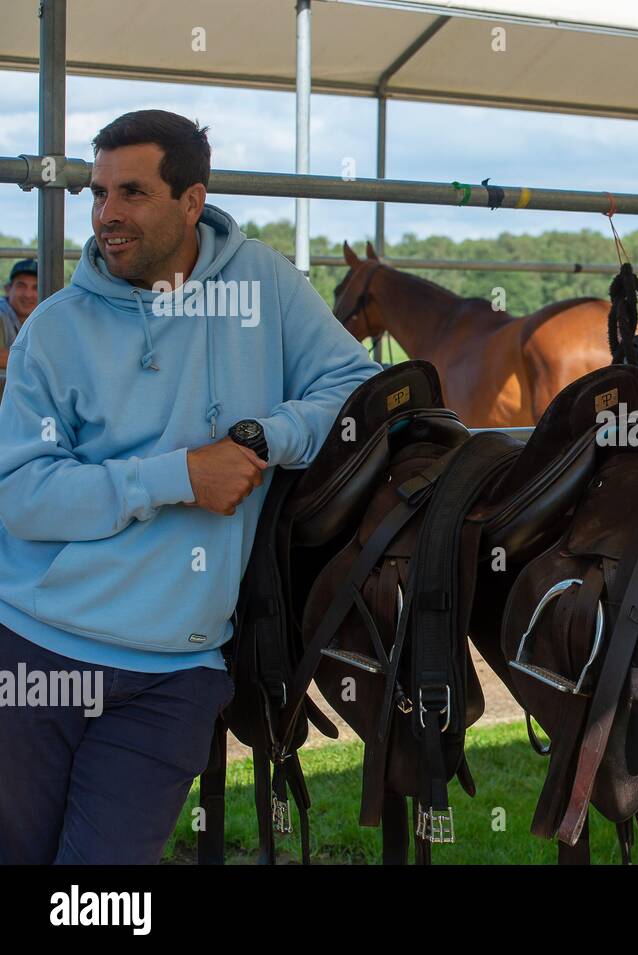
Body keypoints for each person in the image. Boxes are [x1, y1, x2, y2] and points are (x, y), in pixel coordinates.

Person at [0, 109, 381, 864]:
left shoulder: (264, 284)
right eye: (96, 192)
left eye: (131, 192)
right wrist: (180, 476)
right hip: (33, 653)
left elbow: (358, 387)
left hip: (173, 673)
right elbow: (23, 495)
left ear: (191, 200)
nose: (107, 214)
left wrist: (265, 437)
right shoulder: (54, 330)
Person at [0, 258, 38, 370]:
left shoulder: (45, 318)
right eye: (21, 286)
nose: (28, 294)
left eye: (35, 287)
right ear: (8, 289)